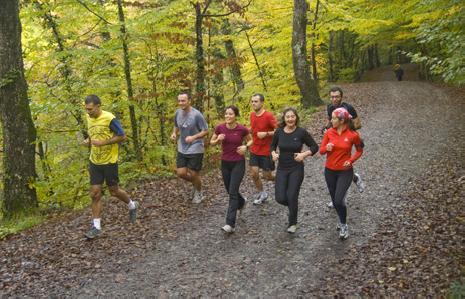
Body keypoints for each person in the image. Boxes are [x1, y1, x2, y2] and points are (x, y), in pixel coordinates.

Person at [82, 95, 138, 239]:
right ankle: (96, 227)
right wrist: (88, 142)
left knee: (114, 191)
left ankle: (131, 204)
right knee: (94, 193)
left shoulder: (109, 118)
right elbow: (94, 136)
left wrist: (103, 143)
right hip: (95, 161)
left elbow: (122, 136)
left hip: (109, 161)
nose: (88, 112)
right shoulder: (88, 118)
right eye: (86, 109)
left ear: (98, 106)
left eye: (91, 109)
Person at [271, 107, 319, 233]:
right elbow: (272, 145)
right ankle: (293, 206)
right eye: (288, 117)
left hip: (296, 168)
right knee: (280, 198)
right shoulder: (279, 132)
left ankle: (293, 223)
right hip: (282, 168)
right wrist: (273, 154)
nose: (290, 119)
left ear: (296, 118)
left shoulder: (301, 132)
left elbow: (314, 147)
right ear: (284, 118)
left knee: (292, 195)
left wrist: (304, 154)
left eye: (292, 116)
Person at [320, 107, 363, 240]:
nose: (331, 120)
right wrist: (326, 148)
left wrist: (350, 160)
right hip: (330, 171)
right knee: (334, 200)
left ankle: (343, 224)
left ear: (342, 120)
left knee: (339, 200)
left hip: (345, 172)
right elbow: (321, 150)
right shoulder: (329, 133)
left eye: (333, 118)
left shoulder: (353, 135)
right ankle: (341, 218)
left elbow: (359, 151)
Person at [210, 106, 253, 233]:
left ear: (235, 116)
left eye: (230, 114)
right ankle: (242, 201)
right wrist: (218, 139)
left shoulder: (242, 129)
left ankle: (230, 224)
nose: (227, 116)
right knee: (230, 191)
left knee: (233, 192)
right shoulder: (220, 128)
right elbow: (211, 142)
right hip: (225, 163)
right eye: (226, 114)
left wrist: (246, 147)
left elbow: (251, 140)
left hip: (238, 163)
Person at [323, 87, 365, 207]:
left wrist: (347, 133)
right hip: (335, 137)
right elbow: (331, 121)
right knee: (336, 165)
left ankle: (340, 199)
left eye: (336, 96)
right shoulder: (330, 107)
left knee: (343, 165)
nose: (334, 99)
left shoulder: (349, 108)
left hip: (347, 139)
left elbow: (358, 124)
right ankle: (355, 178)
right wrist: (326, 128)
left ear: (341, 97)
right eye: (332, 96)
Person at [170, 92, 209, 203]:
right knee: (181, 173)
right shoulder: (177, 113)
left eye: (183, 100)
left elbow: (205, 131)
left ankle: (199, 192)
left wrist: (194, 137)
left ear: (189, 101)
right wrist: (174, 133)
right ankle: (196, 183)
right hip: (182, 146)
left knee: (193, 173)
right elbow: (176, 126)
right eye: (179, 101)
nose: (181, 103)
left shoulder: (196, 115)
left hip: (196, 147)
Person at [249, 93, 278, 204]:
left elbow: (278, 131)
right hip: (255, 149)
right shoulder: (252, 115)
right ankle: (262, 193)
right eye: (252, 101)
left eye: (256, 101)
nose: (253, 103)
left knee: (267, 176)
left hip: (266, 150)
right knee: (254, 173)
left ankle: (281, 179)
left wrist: (266, 134)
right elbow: (253, 129)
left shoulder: (268, 116)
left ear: (262, 102)